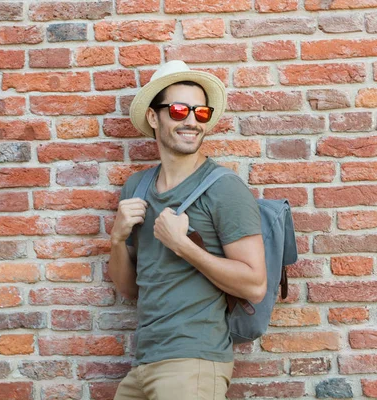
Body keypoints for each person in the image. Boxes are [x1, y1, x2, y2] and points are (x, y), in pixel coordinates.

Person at [108, 60, 267, 400]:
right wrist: (118, 239)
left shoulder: (224, 188)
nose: (192, 120)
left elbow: (255, 285)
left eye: (201, 112)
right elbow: (129, 289)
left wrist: (183, 245)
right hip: (144, 362)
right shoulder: (136, 188)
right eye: (179, 110)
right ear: (155, 117)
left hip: (193, 362)